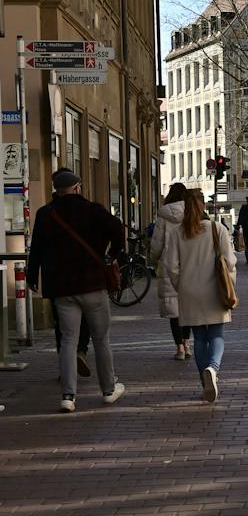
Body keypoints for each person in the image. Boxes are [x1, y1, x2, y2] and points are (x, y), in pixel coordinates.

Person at [25, 167, 126, 412]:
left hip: (62, 288)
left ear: (57, 191)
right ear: (78, 188)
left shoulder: (46, 214)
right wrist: (111, 255)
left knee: (68, 341)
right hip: (92, 284)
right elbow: (118, 229)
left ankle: (68, 395)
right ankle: (109, 389)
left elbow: (36, 247)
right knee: (101, 339)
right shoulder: (93, 210)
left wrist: (32, 274)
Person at [163, 188, 236, 404]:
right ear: (203, 205)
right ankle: (212, 369)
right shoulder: (217, 228)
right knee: (216, 335)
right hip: (214, 290)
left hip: (189, 291)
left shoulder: (178, 233)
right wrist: (230, 284)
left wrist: (181, 285)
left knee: (199, 338)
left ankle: (205, 384)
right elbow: (229, 261)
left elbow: (171, 266)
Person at [149, 183, 194, 360]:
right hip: (189, 264)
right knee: (187, 307)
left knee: (174, 310)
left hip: (169, 264)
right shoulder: (191, 213)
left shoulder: (164, 214)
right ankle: (188, 344)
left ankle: (179, 348)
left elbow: (157, 242)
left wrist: (152, 260)